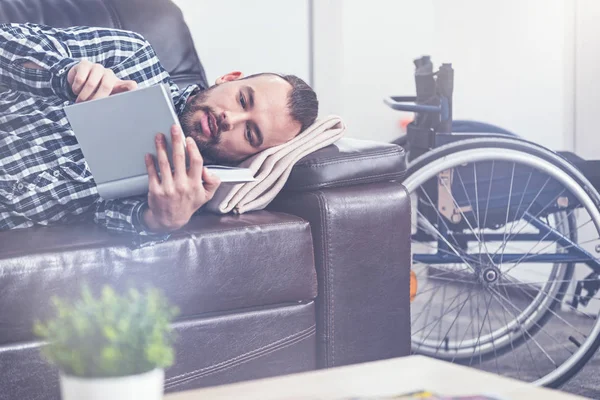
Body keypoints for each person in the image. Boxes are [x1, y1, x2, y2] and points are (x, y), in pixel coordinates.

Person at [0, 23, 319, 241]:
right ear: (228, 78)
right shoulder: (131, 55)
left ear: (251, 155)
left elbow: (105, 217)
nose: (229, 119)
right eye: (242, 99)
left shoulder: (183, 190)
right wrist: (63, 75)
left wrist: (159, 221)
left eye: (250, 133)